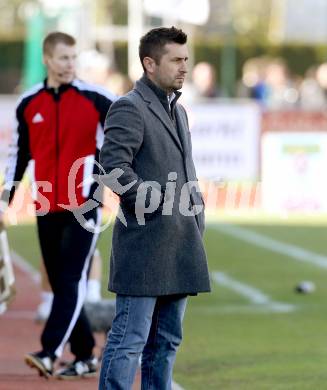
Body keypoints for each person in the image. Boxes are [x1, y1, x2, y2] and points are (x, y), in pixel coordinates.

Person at [98, 26, 211, 389]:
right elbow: (112, 168)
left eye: (186, 60)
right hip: (145, 245)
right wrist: (154, 201)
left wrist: (197, 212)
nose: (184, 67)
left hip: (180, 244)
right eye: (176, 60)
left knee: (166, 343)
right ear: (150, 63)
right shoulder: (129, 107)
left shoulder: (178, 111)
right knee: (129, 341)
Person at [0, 31, 115, 379]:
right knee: (62, 283)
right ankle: (85, 355)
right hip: (45, 205)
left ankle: (49, 351)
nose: (70, 64)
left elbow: (122, 141)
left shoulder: (98, 99)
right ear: (47, 59)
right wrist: (5, 200)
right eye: (63, 58)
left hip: (85, 206)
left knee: (69, 278)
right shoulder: (28, 103)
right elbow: (18, 156)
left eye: (73, 57)